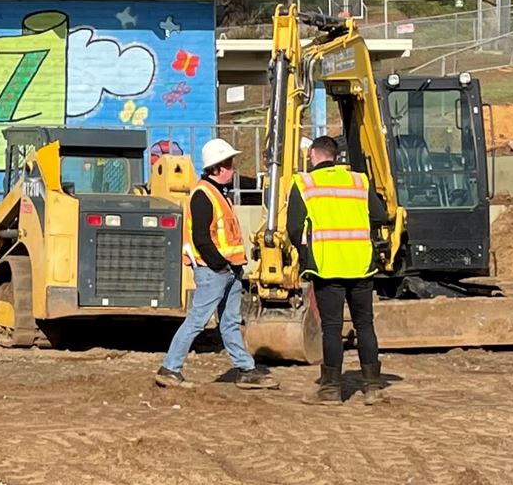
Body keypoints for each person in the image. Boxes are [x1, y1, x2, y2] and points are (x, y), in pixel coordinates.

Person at [154, 138, 268, 389]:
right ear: (216, 168)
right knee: (197, 320)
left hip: (228, 270)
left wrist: (231, 268)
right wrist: (220, 266)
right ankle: (170, 368)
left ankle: (246, 369)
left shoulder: (217, 193)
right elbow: (201, 238)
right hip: (215, 271)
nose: (232, 168)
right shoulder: (204, 195)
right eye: (228, 164)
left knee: (229, 322)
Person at [286, 133, 390, 402]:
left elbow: (294, 228)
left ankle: (331, 389)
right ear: (335, 156)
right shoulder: (359, 181)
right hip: (361, 265)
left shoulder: (305, 183)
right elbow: (380, 216)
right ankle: (372, 388)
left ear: (313, 155)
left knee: (332, 328)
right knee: (365, 325)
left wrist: (305, 253)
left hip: (327, 267)